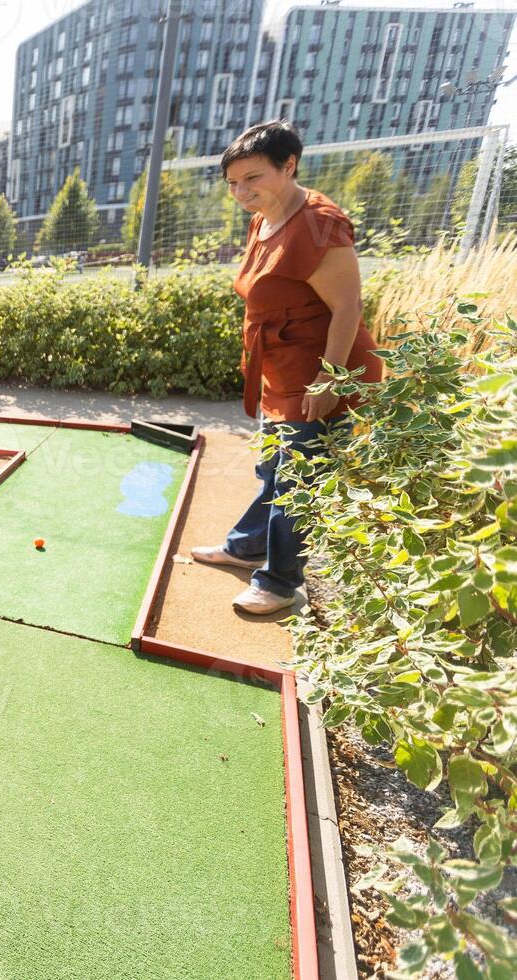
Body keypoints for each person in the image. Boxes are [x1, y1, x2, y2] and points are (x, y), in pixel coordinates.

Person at [192, 121, 384, 615]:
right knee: (274, 469)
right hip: (279, 367)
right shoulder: (265, 215)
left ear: (289, 165)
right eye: (233, 183)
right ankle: (246, 545)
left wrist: (329, 380)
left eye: (252, 178)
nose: (241, 192)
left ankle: (279, 584)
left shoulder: (320, 224)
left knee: (296, 480)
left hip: (319, 369)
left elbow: (348, 308)